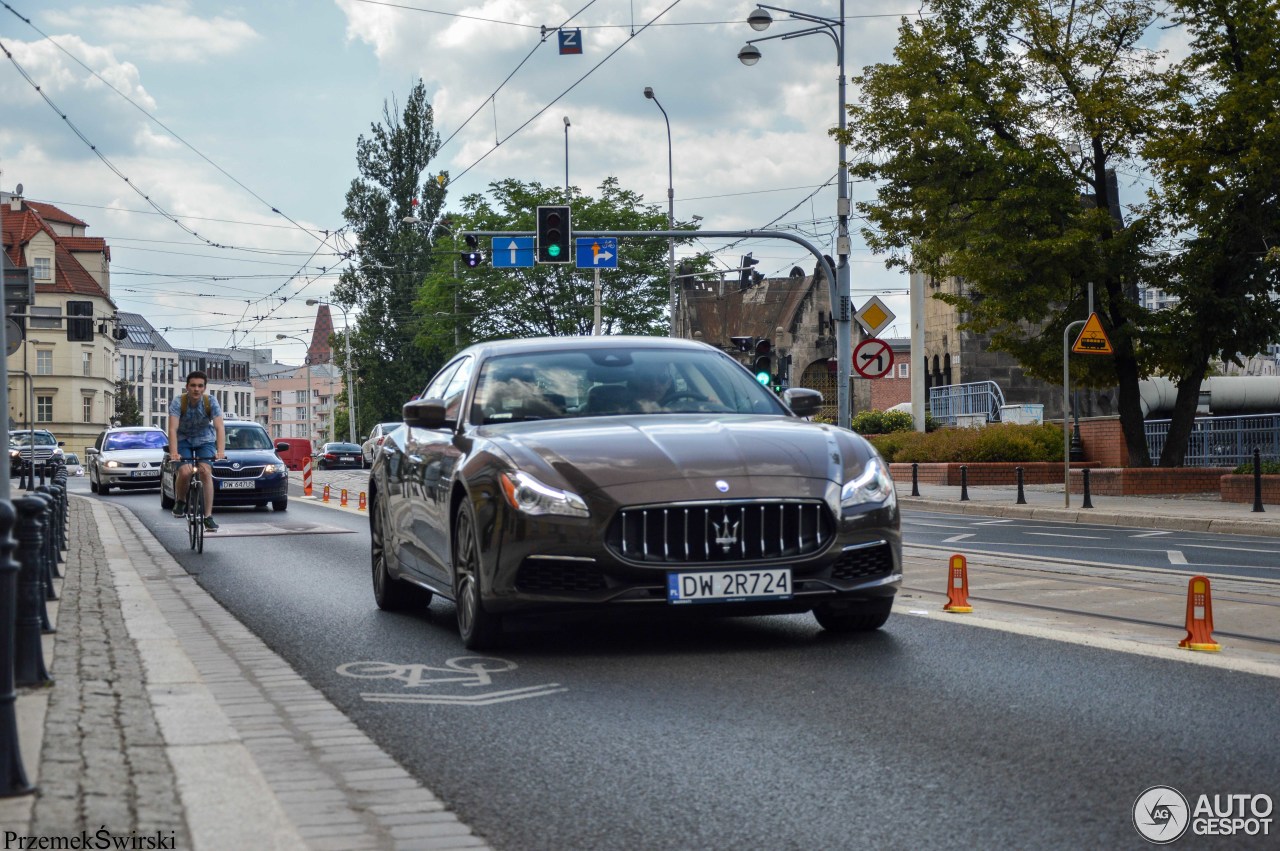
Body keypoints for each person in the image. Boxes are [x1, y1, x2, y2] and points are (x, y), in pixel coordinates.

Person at [167, 370, 226, 531]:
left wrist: (220, 450)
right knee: (185, 472)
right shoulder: (178, 402)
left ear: (204, 388)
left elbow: (219, 427)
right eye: (193, 385)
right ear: (187, 387)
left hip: (205, 439)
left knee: (205, 472)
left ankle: (207, 516)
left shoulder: (210, 401)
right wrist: (174, 452)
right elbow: (172, 429)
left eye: (200, 386)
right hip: (183, 440)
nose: (196, 389)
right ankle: (180, 501)